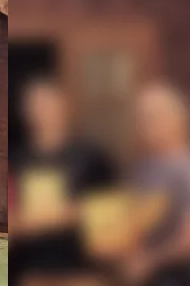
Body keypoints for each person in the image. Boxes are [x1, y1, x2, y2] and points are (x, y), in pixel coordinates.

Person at [11, 78, 116, 286]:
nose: (42, 112)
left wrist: (60, 215)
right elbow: (13, 216)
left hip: (82, 269)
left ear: (65, 107)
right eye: (35, 106)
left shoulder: (91, 156)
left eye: (49, 105)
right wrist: (23, 223)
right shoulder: (19, 158)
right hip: (32, 270)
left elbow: (112, 211)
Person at [125, 82, 190, 286]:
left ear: (177, 120)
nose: (144, 125)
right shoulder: (142, 167)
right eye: (140, 118)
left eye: (152, 117)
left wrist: (151, 260)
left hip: (177, 278)